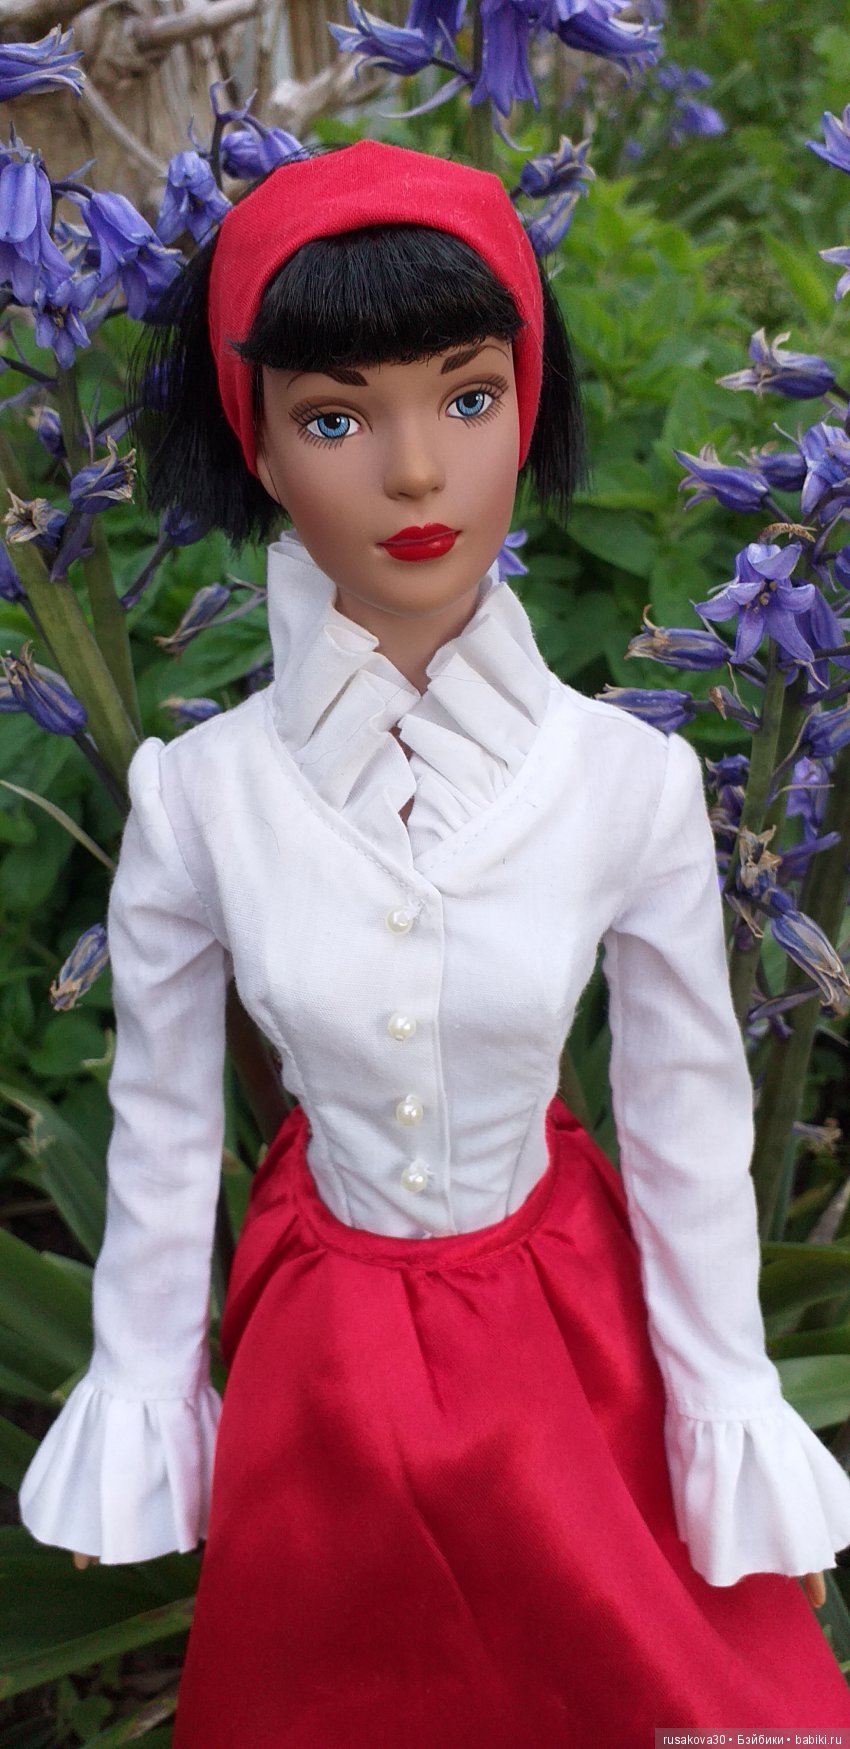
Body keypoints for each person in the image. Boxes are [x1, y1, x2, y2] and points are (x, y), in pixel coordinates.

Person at [16, 138, 850, 1746]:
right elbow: (163, 1129)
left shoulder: (623, 783)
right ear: (259, 449)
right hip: (322, 1357)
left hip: (566, 1335)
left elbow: (684, 1122)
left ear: (528, 409)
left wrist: (728, 1404)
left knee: (632, 1676)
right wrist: (142, 1396)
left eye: (467, 397)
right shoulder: (199, 798)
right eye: (335, 417)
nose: (415, 473)